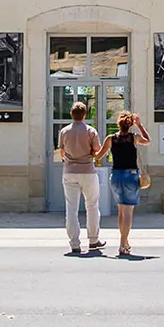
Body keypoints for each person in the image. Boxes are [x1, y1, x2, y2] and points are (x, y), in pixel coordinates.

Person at [96, 111, 152, 256]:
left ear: (118, 124)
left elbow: (98, 155)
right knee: (128, 212)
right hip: (130, 176)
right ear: (130, 124)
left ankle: (125, 242)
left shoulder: (111, 138)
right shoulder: (134, 138)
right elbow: (148, 140)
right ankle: (122, 244)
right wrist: (139, 124)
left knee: (121, 211)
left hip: (115, 176)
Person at [57, 101, 104, 254]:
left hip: (70, 171)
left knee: (71, 208)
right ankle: (93, 239)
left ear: (72, 114)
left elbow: (62, 153)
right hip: (88, 171)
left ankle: (74, 243)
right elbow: (97, 151)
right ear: (85, 114)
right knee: (92, 205)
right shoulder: (91, 131)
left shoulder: (64, 131)